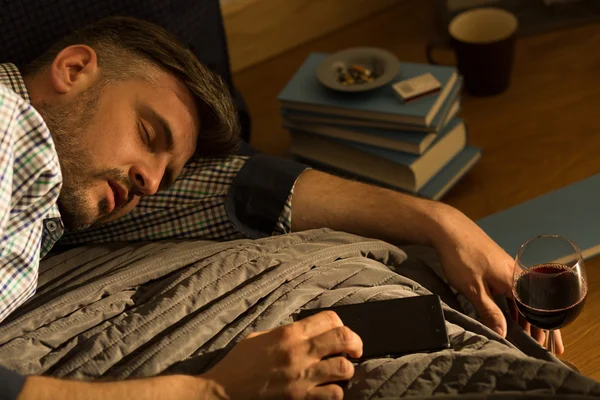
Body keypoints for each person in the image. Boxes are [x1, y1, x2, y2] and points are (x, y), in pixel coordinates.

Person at [0, 16, 561, 400]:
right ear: (73, 70)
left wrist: (442, 221)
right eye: (148, 132)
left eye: (164, 172)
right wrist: (214, 390)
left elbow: (236, 191)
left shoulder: (63, 192)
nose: (148, 181)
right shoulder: (9, 125)